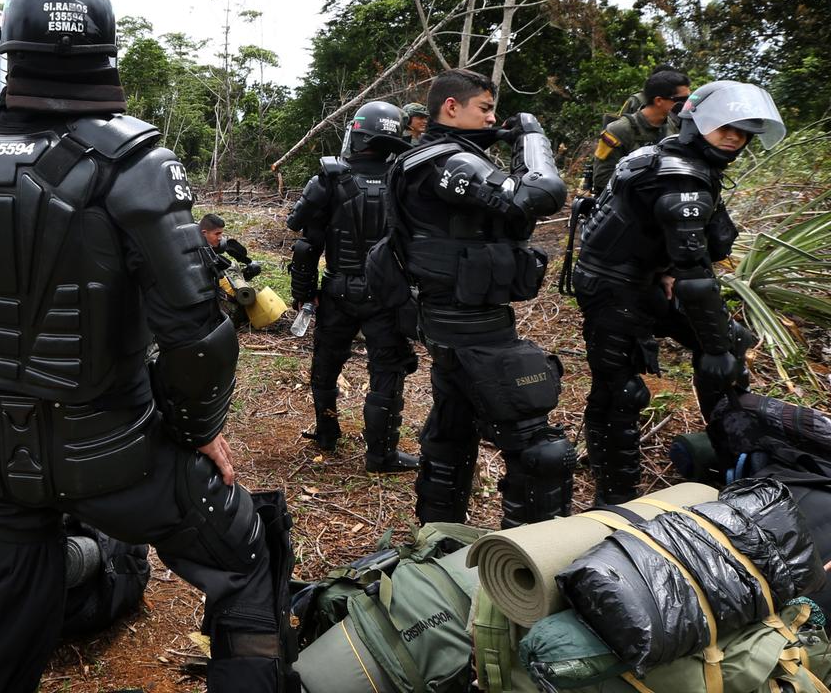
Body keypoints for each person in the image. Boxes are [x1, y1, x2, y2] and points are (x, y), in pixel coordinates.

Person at [0, 0, 298, 691]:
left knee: (6, 611)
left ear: (8, 49)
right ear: (106, 51)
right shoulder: (135, 164)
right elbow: (197, 334)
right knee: (242, 560)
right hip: (116, 450)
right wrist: (196, 426)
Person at [571, 80, 785, 505]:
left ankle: (734, 462)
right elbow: (697, 275)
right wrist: (714, 344)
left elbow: (671, 243)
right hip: (612, 287)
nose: (733, 137)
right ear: (693, 123)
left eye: (742, 132)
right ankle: (614, 499)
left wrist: (717, 343)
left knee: (730, 349)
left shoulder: (675, 156)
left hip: (647, 276)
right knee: (620, 391)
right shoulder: (677, 176)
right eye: (725, 127)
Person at [382, 69, 572, 528]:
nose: (493, 119)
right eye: (484, 109)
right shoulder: (447, 161)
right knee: (540, 451)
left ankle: (438, 538)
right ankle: (530, 565)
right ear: (452, 107)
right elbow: (542, 194)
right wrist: (531, 136)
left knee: (452, 430)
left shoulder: (439, 157)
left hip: (453, 320)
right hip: (471, 326)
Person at [287, 100, 420, 473]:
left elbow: (303, 238)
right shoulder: (406, 179)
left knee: (326, 366)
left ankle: (327, 433)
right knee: (386, 374)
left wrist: (304, 293)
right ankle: (381, 455)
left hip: (337, 291)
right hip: (388, 296)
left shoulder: (330, 178)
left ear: (358, 134)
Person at [591, 68, 692, 193]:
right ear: (659, 101)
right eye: (681, 100)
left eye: (689, 98)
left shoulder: (675, 126)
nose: (688, 104)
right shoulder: (619, 130)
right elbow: (602, 179)